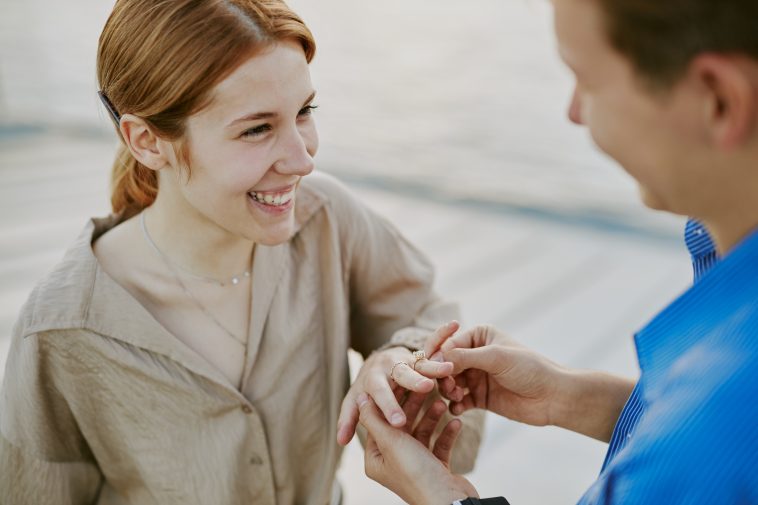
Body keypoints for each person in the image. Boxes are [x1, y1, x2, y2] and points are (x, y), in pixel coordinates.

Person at [0, 1, 484, 504]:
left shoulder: (330, 221)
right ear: (146, 141)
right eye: (257, 129)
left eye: (304, 112)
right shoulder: (62, 329)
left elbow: (429, 322)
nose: (302, 160)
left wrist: (401, 359)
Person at [356, 0, 758, 503]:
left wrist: (445, 498)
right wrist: (569, 396)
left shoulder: (722, 411)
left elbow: (709, 441)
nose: (573, 111)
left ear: (718, 100)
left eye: (586, 79)